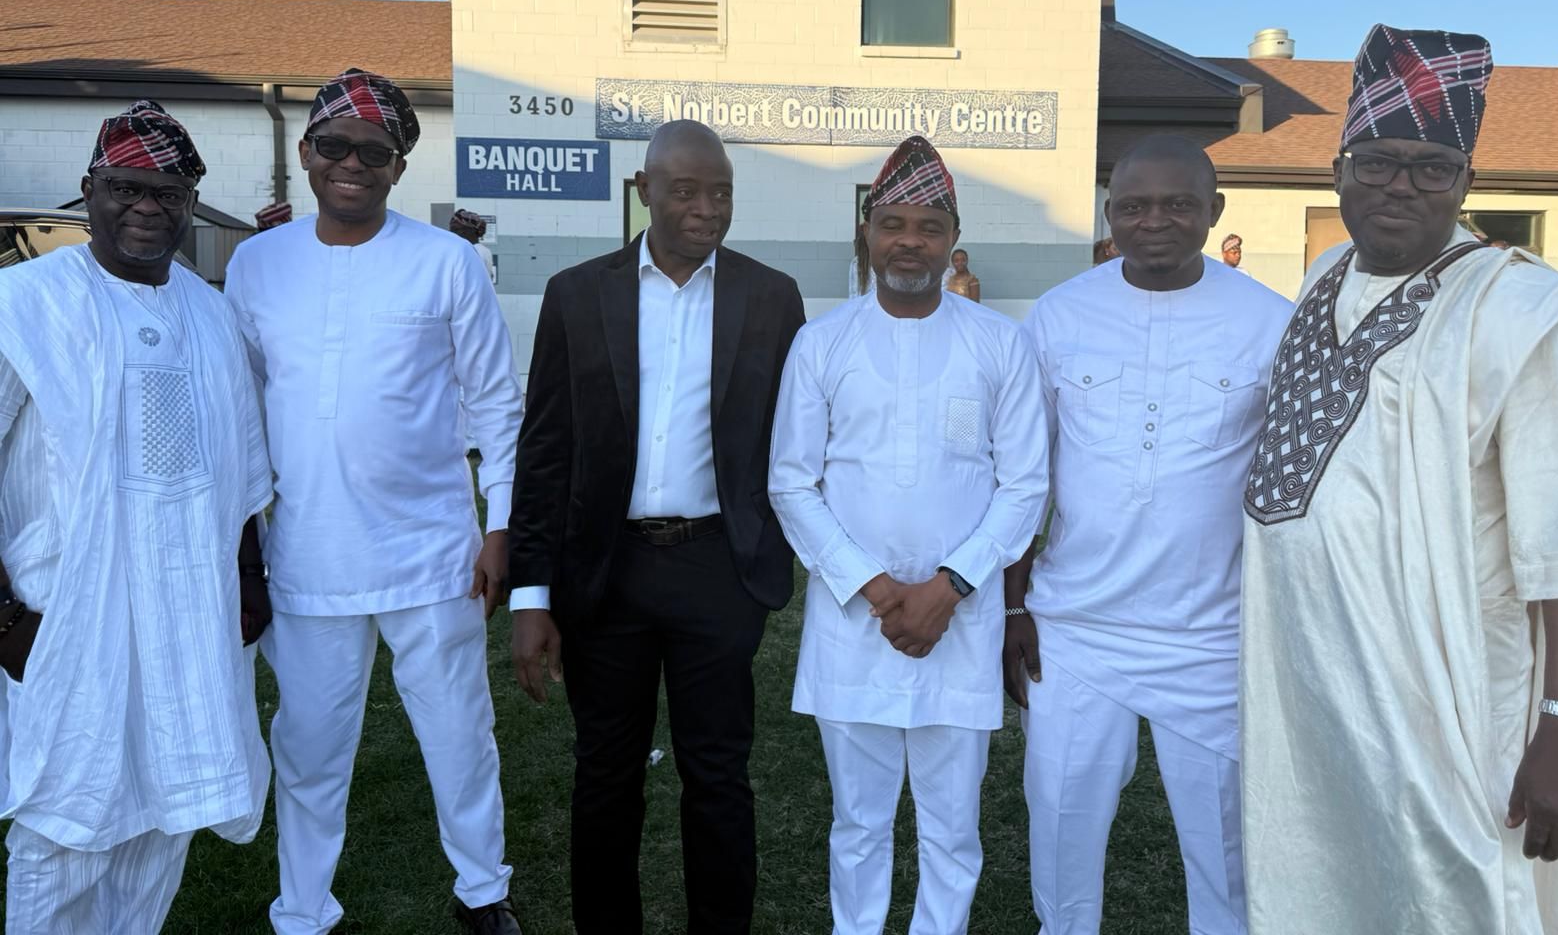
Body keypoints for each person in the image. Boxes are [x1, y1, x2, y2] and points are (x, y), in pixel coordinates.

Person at [1241, 26, 1558, 934]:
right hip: (1316, 677)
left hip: (1452, 695)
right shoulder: (1323, 275)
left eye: (1431, 167)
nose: (1399, 184)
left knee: (1462, 896)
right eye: (1376, 161)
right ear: (1337, 169)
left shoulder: (1520, 310)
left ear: (1466, 182)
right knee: (1333, 882)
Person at [225, 69, 524, 935]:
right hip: (306, 556)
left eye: (374, 151)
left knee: (460, 737)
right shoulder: (256, 262)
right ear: (306, 152)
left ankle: (482, 892)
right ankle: (303, 910)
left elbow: (498, 406)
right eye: (333, 146)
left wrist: (500, 525)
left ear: (398, 166)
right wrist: (247, 545)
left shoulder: (446, 261)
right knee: (310, 748)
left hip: (433, 552)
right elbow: (241, 410)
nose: (351, 163)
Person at [508, 120, 805, 934]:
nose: (707, 209)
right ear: (644, 193)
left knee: (719, 775)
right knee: (605, 774)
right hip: (607, 574)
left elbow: (797, 438)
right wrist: (532, 595)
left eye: (721, 192)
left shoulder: (770, 296)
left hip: (720, 571)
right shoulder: (577, 294)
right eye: (686, 190)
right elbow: (544, 452)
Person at [1004, 134, 1291, 934]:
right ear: (1109, 214)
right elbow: (1027, 477)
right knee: (1060, 829)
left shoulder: (1270, 321)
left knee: (1229, 851)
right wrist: (1012, 609)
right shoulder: (1061, 314)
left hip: (1212, 635)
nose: (1154, 220)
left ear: (1214, 212)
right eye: (1133, 205)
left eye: (1177, 204)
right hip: (1075, 630)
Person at [0, 101, 272, 933]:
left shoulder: (213, 313)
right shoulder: (23, 305)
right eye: (127, 187)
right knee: (65, 826)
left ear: (191, 203)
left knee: (165, 818)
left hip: (190, 619)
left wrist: (247, 587)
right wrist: (5, 617)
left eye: (170, 192)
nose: (149, 206)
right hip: (66, 620)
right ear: (90, 189)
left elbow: (241, 468)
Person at [769, 135, 1049, 935]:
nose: (909, 242)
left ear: (953, 238)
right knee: (857, 823)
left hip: (959, 623)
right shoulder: (821, 343)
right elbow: (792, 478)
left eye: (928, 226)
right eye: (893, 223)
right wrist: (870, 585)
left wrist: (949, 587)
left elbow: (1025, 484)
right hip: (855, 620)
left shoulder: (1000, 344)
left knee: (952, 827)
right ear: (867, 232)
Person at [450, 208, 496, 284]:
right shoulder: (484, 251)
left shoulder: (472, 251)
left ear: (467, 231)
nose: (452, 234)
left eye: (455, 229)